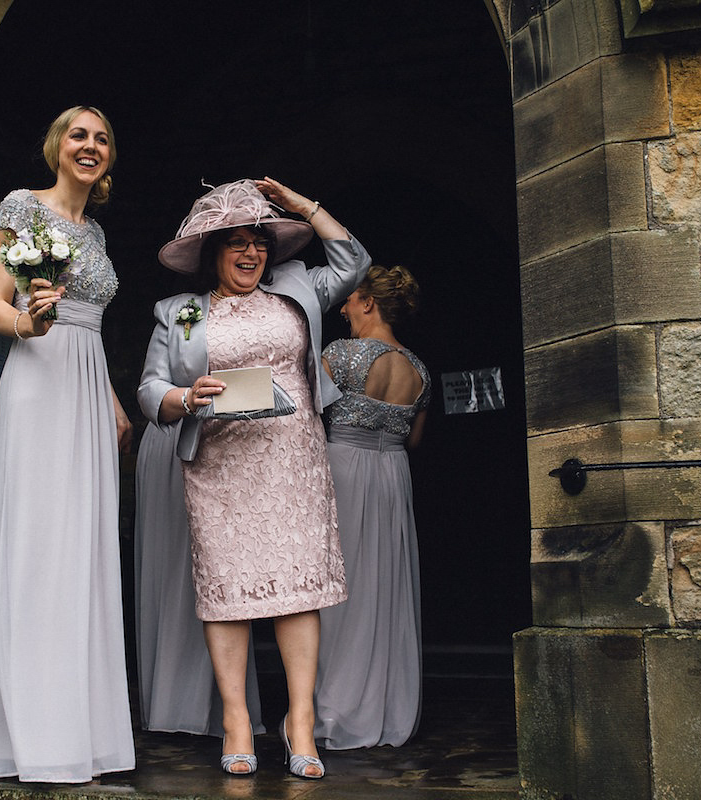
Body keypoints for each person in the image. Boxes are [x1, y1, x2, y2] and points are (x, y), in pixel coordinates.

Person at [137, 177, 371, 779]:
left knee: (298, 591)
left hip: (292, 460)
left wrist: (303, 207)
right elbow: (149, 391)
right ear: (212, 252)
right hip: (219, 464)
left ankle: (300, 721)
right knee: (228, 593)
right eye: (236, 243)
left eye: (259, 242)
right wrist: (185, 398)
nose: (250, 253)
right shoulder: (181, 313)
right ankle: (237, 720)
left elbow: (353, 259)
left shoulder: (299, 287)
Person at [0, 105, 134, 783]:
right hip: (37, 378)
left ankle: (80, 729)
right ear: (58, 146)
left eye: (102, 138)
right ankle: (26, 733)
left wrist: (112, 400)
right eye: (79, 135)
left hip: (87, 388)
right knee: (36, 541)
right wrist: (28, 327)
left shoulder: (98, 230)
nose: (90, 146)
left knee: (81, 546)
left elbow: (90, 326)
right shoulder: (20, 207)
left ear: (109, 157)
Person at [314, 265, 430, 749]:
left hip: (343, 469)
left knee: (340, 590)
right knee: (383, 583)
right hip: (392, 475)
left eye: (348, 299)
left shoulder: (339, 356)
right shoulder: (420, 369)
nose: (341, 308)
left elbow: (307, 420)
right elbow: (416, 440)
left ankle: (335, 710)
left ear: (367, 302)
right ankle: (386, 708)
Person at [133, 421, 264, 736]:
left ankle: (226, 709)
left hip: (227, 437)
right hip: (173, 434)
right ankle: (172, 704)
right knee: (172, 570)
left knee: (223, 572)